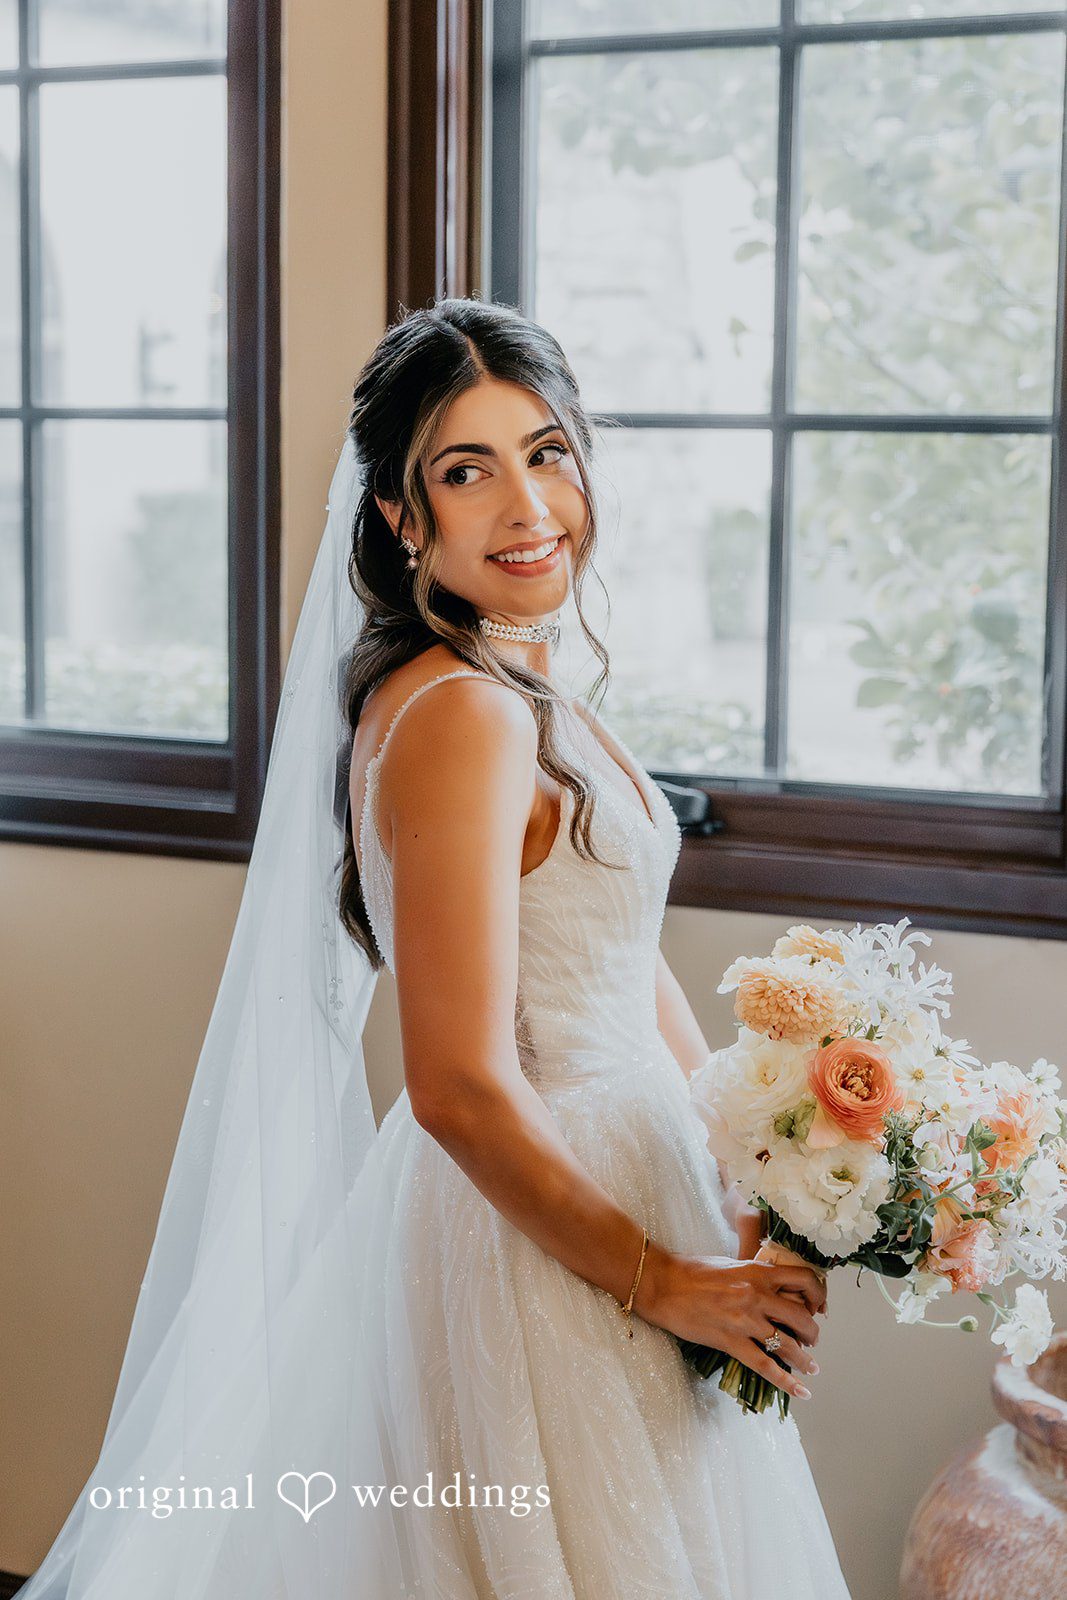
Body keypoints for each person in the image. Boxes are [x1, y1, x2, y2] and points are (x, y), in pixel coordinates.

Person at [15, 299, 851, 1599]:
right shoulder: (464, 714)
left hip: (632, 1175)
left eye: (548, 453)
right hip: (551, 1232)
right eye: (468, 471)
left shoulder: (518, 679)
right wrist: (661, 1281)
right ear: (405, 518)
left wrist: (755, 1160)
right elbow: (457, 1083)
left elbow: (619, 963)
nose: (527, 506)